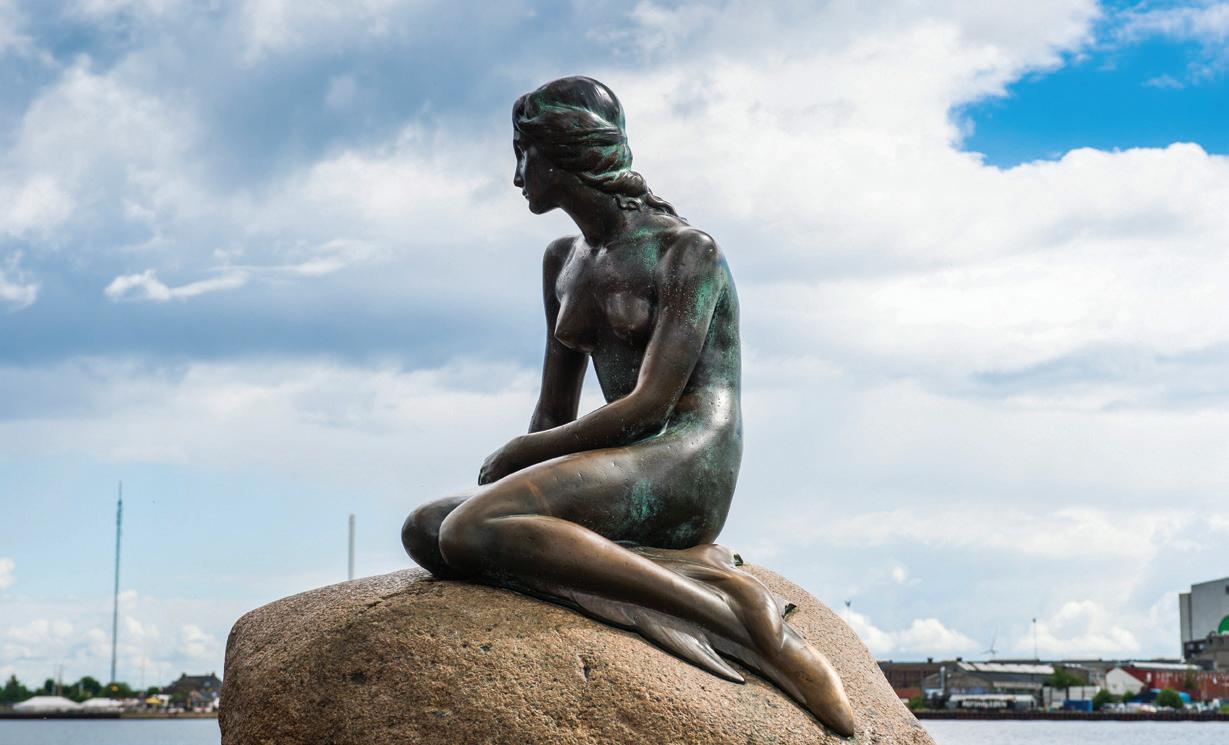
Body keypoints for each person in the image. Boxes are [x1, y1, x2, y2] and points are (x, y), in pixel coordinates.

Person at [401, 76, 854, 736]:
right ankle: (643, 573)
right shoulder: (562, 260)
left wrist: (523, 456)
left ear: (567, 153)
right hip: (620, 459)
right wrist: (521, 467)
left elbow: (649, 407)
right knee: (427, 528)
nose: (517, 176)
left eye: (524, 154)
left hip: (684, 458)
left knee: (470, 530)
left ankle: (742, 624)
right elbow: (554, 413)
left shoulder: (686, 251)